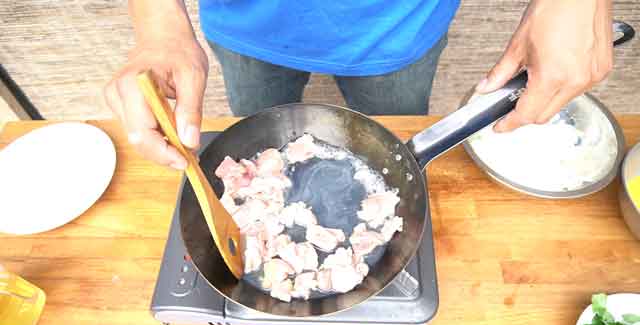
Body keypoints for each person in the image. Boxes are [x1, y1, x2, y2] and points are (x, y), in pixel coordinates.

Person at [105, 0, 614, 170]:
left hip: (401, 22)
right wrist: (157, 23)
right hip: (246, 22)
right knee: (259, 143)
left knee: (390, 145)